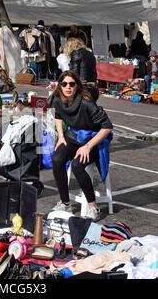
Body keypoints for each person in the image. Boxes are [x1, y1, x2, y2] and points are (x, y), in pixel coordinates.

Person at [51, 70, 113, 221]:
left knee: (77, 165)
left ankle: (94, 208)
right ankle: (65, 203)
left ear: (77, 86)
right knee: (57, 160)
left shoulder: (86, 103)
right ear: (60, 86)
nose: (68, 87)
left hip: (92, 140)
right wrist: (60, 136)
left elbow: (107, 126)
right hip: (73, 137)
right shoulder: (58, 99)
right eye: (64, 84)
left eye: (72, 84)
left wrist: (88, 146)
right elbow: (58, 116)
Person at [65, 37, 99, 102]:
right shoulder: (90, 53)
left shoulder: (76, 53)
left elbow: (74, 74)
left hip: (83, 89)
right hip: (93, 88)